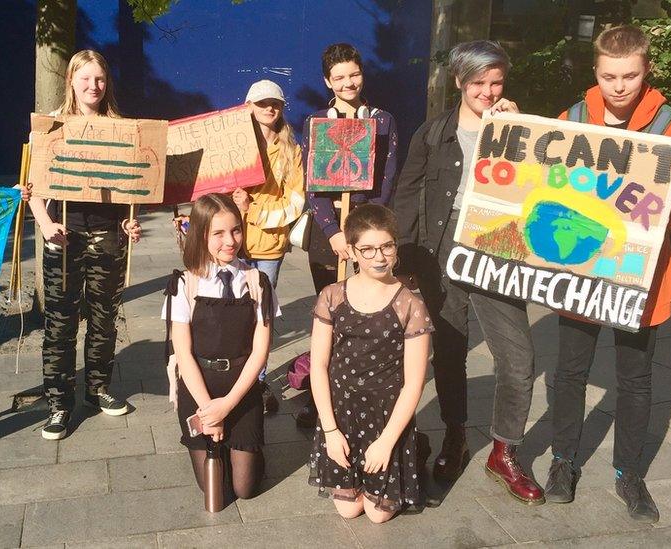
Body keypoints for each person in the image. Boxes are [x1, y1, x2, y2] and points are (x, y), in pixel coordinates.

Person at [544, 25, 671, 523]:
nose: (619, 86)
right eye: (609, 75)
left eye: (630, 76)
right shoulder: (572, 119)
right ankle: (562, 462)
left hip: (643, 278)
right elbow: (541, 189)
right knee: (570, 372)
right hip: (582, 270)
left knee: (635, 380)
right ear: (595, 72)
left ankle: (629, 474)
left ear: (646, 70)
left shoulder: (669, 126)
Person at [392, 40, 544, 504]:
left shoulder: (521, 129)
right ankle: (455, 436)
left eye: (497, 81)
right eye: (479, 82)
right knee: (451, 350)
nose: (489, 91)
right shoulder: (432, 133)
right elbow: (407, 192)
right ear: (460, 81)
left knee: (518, 359)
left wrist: (518, 131)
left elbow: (544, 190)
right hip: (442, 250)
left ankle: (505, 451)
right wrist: (406, 259)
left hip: (498, 249)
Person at [22, 50, 143, 441]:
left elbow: (134, 186)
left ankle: (98, 390)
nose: (94, 86)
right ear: (71, 81)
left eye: (101, 80)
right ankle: (58, 405)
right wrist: (44, 224)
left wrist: (129, 220)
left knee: (105, 318)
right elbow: (33, 186)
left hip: (109, 234)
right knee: (60, 323)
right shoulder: (51, 127)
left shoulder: (123, 129)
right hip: (64, 233)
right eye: (86, 79)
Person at [307, 204, 432, 523]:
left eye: (387, 246)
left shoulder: (410, 304)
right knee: (349, 510)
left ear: (396, 246)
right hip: (342, 414)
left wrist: (387, 442)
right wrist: (330, 430)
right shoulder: (332, 296)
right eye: (368, 249)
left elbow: (414, 381)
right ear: (351, 250)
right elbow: (318, 365)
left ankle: (412, 449)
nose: (379, 257)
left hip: (387, 414)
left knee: (377, 515)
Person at [297, 42, 399, 428]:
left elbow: (387, 179)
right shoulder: (315, 123)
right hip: (329, 236)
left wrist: (362, 234)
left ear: (362, 74)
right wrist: (331, 232)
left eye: (353, 74)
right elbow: (312, 184)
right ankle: (320, 397)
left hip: (366, 232)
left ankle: (358, 391)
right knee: (329, 315)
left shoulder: (383, 120)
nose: (348, 82)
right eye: (338, 77)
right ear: (327, 81)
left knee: (362, 313)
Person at [162, 193, 278, 501]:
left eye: (236, 230)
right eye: (219, 233)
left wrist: (227, 405)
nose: (230, 240)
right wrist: (208, 412)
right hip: (198, 388)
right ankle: (218, 442)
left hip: (241, 385)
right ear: (201, 234)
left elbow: (260, 351)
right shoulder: (184, 284)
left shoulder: (258, 282)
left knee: (244, 489)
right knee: (214, 490)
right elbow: (183, 353)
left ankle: (249, 451)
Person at [231, 79, 305, 414]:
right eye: (261, 103)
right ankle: (235, 379)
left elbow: (297, 202)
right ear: (248, 106)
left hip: (268, 246)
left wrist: (256, 212)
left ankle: (258, 381)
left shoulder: (292, 150)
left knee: (261, 315)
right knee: (231, 311)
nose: (269, 108)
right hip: (229, 242)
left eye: (274, 103)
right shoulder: (233, 145)